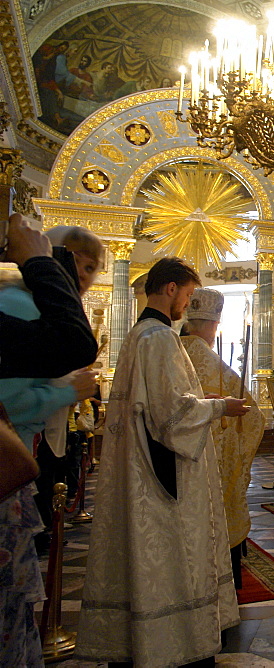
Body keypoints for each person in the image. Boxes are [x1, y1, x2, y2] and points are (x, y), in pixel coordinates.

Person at [76, 257, 249, 666]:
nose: (186, 306)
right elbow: (171, 415)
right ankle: (175, 643)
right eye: (187, 295)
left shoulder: (140, 335)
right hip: (164, 479)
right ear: (170, 288)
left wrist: (204, 406)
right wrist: (219, 406)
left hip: (146, 468)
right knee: (175, 561)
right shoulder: (158, 338)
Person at [0, 221, 100, 668]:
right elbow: (12, 399)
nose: (84, 278)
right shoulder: (20, 303)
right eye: (80, 266)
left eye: (94, 270)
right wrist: (66, 393)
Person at [181, 288, 265, 584]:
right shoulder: (208, 359)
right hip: (213, 457)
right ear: (214, 324)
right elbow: (252, 413)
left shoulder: (172, 350)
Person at [0, 214, 99, 378]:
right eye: (73, 260)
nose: (81, 273)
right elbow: (77, 347)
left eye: (90, 268)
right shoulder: (19, 302)